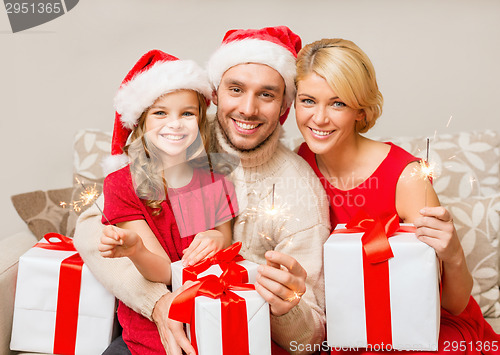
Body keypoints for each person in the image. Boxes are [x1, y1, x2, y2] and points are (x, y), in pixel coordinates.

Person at [74, 26, 331, 355]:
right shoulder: (177, 137)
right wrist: (157, 303)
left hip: (241, 336)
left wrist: (285, 306)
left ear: (284, 105)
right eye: (236, 89)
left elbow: (308, 338)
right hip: (154, 322)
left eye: (266, 94)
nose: (248, 109)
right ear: (216, 93)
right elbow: (91, 225)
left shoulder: (299, 191)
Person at [295, 38, 500, 354]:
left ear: (360, 111)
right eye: (308, 100)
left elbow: (455, 305)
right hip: (353, 323)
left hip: (425, 324)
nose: (319, 118)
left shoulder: (405, 177)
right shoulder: (299, 163)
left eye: (337, 103)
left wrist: (455, 253)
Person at [95, 49, 239, 354]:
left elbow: (224, 240)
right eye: (160, 113)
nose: (175, 124)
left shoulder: (211, 177)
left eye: (187, 113)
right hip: (149, 333)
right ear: (141, 122)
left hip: (211, 319)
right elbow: (163, 271)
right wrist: (135, 250)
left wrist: (216, 236)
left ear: (199, 121)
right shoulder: (123, 184)